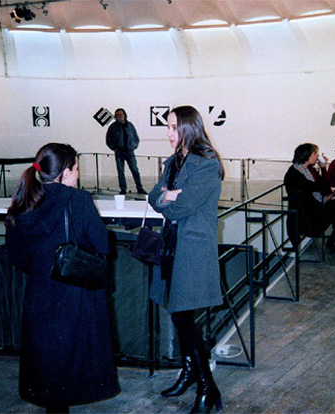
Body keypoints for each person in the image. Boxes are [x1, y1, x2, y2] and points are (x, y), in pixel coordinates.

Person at [5, 143, 120, 414]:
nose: (78, 174)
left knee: (49, 370)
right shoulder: (78, 200)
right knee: (72, 367)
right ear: (65, 173)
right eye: (76, 168)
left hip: (39, 296)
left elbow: (16, 256)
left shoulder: (23, 202)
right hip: (74, 298)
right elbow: (102, 245)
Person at [148, 106, 224, 414]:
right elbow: (153, 196)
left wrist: (169, 197)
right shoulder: (173, 161)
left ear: (189, 129)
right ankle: (192, 372)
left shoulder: (206, 163)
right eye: (167, 127)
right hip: (172, 245)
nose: (168, 133)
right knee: (178, 314)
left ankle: (207, 387)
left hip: (191, 249)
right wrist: (169, 195)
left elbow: (184, 206)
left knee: (182, 314)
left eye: (173, 127)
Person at [283, 143, 335, 249]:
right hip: (308, 216)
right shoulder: (294, 174)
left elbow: (322, 184)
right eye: (315, 154)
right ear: (307, 155)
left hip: (314, 208)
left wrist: (323, 168)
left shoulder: (308, 169)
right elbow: (311, 188)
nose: (318, 156)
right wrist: (327, 196)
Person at [105, 108, 147, 195]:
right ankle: (123, 189)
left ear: (124, 115)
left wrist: (133, 146)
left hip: (129, 152)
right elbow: (108, 139)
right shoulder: (113, 127)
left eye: (120, 115)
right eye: (117, 115)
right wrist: (114, 148)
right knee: (121, 172)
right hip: (119, 152)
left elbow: (135, 137)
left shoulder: (130, 126)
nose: (119, 117)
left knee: (135, 170)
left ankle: (139, 187)